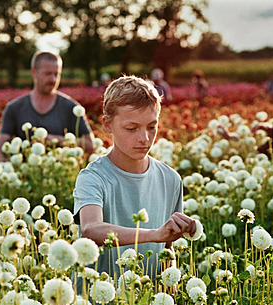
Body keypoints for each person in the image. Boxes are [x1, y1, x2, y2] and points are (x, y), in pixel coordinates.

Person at [73, 75, 196, 281]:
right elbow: (91, 229)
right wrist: (154, 234)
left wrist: (169, 273)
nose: (144, 138)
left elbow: (167, 245)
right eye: (131, 128)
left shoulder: (170, 179)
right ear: (107, 124)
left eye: (151, 127)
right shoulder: (93, 177)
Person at [0, 51, 95, 161]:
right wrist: (9, 168)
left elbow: (90, 144)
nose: (53, 79)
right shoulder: (14, 108)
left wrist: (55, 140)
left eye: (56, 74)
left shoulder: (71, 107)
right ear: (34, 73)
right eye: (47, 74)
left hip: (60, 173)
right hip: (25, 174)